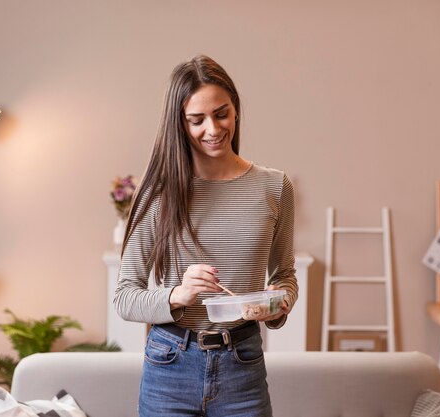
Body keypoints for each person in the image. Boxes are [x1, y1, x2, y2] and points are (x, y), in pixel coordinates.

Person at [114, 54, 298, 417]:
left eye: (221, 113)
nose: (212, 130)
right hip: (170, 364)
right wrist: (178, 295)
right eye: (196, 120)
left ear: (236, 110)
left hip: (242, 362)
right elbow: (124, 297)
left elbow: (285, 277)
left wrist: (278, 305)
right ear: (179, 124)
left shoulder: (274, 186)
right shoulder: (158, 193)